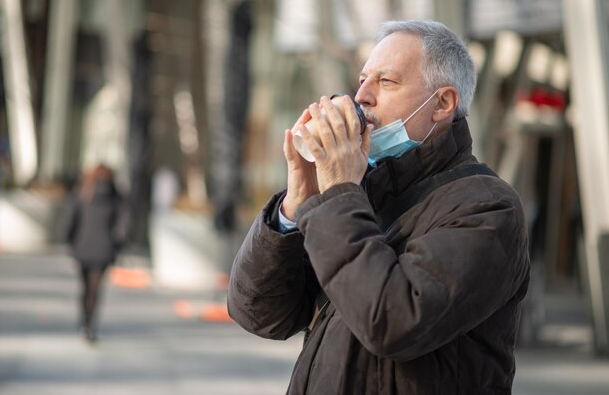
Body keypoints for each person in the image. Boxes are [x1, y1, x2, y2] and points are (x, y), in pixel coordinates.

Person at [227, 20, 530, 394]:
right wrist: (296, 203)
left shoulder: (487, 207)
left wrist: (339, 190)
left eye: (386, 82)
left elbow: (391, 322)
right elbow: (259, 313)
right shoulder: (362, 192)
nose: (362, 98)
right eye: (362, 80)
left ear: (442, 104)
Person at [59, 164, 127, 343]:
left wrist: (69, 241)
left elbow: (70, 219)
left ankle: (84, 320)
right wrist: (117, 244)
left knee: (85, 287)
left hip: (83, 247)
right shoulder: (115, 196)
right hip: (104, 250)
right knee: (94, 289)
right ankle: (89, 323)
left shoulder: (83, 192)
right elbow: (123, 223)